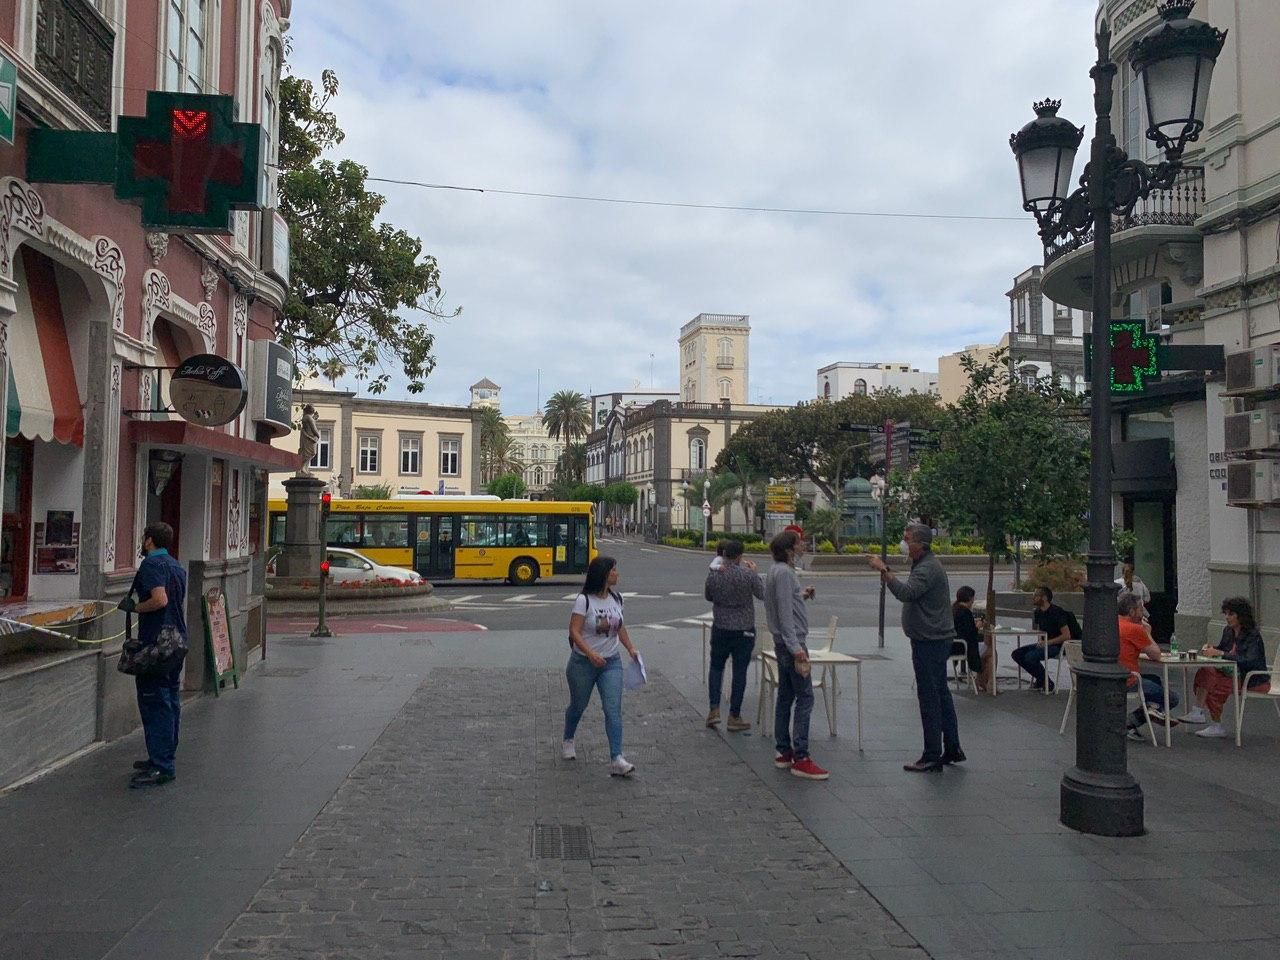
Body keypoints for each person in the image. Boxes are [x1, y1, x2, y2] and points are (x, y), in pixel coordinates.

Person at [869, 523, 964, 772]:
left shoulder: (927, 568)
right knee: (941, 693)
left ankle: (932, 754)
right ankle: (952, 748)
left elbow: (906, 593)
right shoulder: (925, 565)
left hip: (930, 641)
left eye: (907, 539)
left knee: (930, 697)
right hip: (934, 638)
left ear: (920, 544)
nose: (903, 543)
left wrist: (884, 570)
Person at [123, 522, 188, 788]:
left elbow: (159, 600)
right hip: (176, 640)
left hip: (157, 644)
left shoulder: (151, 565)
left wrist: (136, 608)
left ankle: (162, 765)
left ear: (149, 540)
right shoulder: (176, 565)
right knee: (170, 699)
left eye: (143, 538)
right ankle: (162, 756)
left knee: (155, 701)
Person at [563, 556, 639, 776]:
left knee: (612, 709)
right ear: (604, 574)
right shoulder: (584, 600)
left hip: (611, 662)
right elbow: (574, 631)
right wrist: (590, 653)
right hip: (583, 663)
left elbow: (620, 627)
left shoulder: (617, 598)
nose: (617, 574)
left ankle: (617, 757)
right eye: (614, 570)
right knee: (578, 705)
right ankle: (568, 738)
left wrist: (630, 648)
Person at [763, 529, 828, 780]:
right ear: (790, 549)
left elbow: (783, 602)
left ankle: (784, 751)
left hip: (785, 642)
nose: (802, 546)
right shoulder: (785, 574)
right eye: (799, 543)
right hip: (792, 642)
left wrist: (801, 595)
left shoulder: (777, 572)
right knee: (805, 697)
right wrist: (796, 647)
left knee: (786, 695)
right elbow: (784, 612)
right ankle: (801, 756)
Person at [1182, 596, 1271, 738]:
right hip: (1231, 673)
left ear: (1241, 616)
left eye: (1231, 614)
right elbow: (1224, 650)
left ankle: (1206, 717)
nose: (1227, 618)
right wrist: (1212, 649)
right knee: (1205, 671)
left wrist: (1220, 653)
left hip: (1250, 678)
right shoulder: (1228, 631)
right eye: (1226, 614)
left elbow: (1249, 660)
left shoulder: (1252, 635)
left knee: (1214, 685)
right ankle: (1200, 714)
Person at [705, 539, 764, 732]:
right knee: (740, 671)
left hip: (721, 625)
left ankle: (714, 709)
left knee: (716, 667)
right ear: (739, 556)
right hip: (744, 628)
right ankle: (734, 715)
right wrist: (755, 573)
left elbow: (709, 596)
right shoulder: (747, 575)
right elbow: (762, 594)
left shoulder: (714, 575)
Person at [1116, 592, 1178, 740]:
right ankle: (1130, 722)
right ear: (1132, 611)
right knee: (1172, 698)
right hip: (1128, 679)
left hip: (1115, 673)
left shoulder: (1113, 624)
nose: (1143, 612)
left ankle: (1153, 707)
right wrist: (1147, 632)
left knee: (1154, 680)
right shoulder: (1134, 629)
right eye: (1140, 608)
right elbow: (1156, 654)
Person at [1011, 587, 1076, 692]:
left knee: (1029, 657)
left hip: (1058, 645)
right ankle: (1041, 679)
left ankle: (1047, 683)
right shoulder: (1038, 612)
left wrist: (1047, 642)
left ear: (1044, 598)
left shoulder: (1057, 613)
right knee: (1017, 654)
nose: (1033, 597)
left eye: (1036, 595)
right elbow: (1041, 630)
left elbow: (1066, 635)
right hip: (1045, 643)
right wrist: (1041, 641)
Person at [952, 586, 992, 692]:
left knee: (986, 651)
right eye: (973, 598)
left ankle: (982, 680)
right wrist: (978, 626)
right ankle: (987, 682)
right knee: (991, 652)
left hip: (953, 645)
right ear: (969, 598)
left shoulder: (954, 609)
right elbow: (971, 634)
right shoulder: (965, 612)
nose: (973, 601)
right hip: (963, 647)